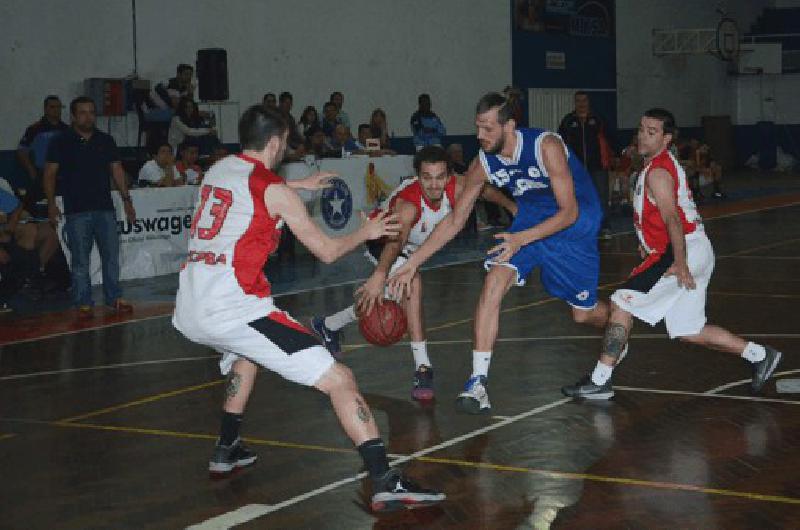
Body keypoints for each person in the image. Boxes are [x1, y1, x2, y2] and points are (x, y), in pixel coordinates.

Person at [172, 105, 444, 512]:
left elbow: (255, 189)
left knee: (246, 359)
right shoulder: (275, 190)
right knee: (340, 378)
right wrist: (366, 231)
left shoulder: (218, 169)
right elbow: (328, 251)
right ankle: (385, 479)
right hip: (233, 307)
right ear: (277, 142)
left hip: (190, 303)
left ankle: (226, 447)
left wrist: (298, 186)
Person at [389, 92, 609, 414]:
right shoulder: (483, 163)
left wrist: (521, 239)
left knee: (583, 313)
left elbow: (568, 212)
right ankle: (478, 382)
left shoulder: (545, 146)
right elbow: (454, 220)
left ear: (510, 126)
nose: (481, 136)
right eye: (478, 128)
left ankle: (618, 320)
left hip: (574, 224)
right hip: (531, 219)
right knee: (494, 279)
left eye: (488, 129)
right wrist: (413, 262)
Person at [561, 109, 782, 400]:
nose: (643, 135)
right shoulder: (654, 167)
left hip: (683, 251)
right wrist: (648, 243)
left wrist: (679, 263)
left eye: (652, 132)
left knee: (621, 303)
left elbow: (672, 219)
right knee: (688, 329)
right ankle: (759, 354)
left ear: (666, 139)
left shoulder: (659, 172)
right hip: (692, 248)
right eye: (641, 129)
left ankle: (600, 380)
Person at [312, 146, 515, 401]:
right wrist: (379, 274)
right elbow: (395, 242)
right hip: (384, 241)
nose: (433, 184)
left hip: (411, 247)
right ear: (417, 176)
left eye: (440, 177)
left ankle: (328, 325)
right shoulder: (408, 204)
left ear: (449, 176)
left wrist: (513, 208)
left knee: (388, 294)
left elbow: (485, 191)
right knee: (412, 283)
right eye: (426, 177)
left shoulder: (460, 186)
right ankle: (423, 368)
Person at [43, 96, 136, 317]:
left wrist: (127, 200)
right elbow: (49, 175)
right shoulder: (61, 141)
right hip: (77, 210)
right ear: (73, 116)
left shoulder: (105, 140)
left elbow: (117, 170)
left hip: (104, 208)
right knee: (80, 260)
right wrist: (50, 204)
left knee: (111, 256)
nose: (88, 116)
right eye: (83, 112)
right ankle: (83, 302)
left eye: (92, 112)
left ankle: (113, 298)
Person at [558, 91, 613, 239]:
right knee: (578, 197)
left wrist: (615, 157)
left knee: (601, 197)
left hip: (598, 166)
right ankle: (581, 227)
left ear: (589, 102)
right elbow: (561, 144)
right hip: (576, 168)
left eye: (584, 100)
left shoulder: (599, 119)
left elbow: (610, 139)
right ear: (574, 102)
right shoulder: (568, 121)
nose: (581, 103)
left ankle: (604, 227)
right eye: (578, 101)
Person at [17, 95, 69, 202]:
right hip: (42, 174)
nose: (57, 110)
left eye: (59, 107)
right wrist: (31, 170)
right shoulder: (35, 129)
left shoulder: (67, 130)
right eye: (53, 107)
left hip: (62, 174)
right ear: (45, 109)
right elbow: (22, 151)